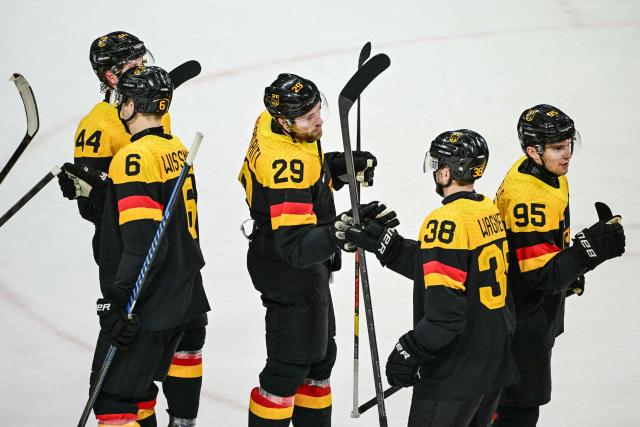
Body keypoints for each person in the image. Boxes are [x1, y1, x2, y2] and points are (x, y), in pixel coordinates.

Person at [59, 33, 206, 426]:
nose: (142, 68)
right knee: (134, 384)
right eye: (133, 65)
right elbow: (100, 215)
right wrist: (95, 193)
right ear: (110, 75)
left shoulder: (152, 120)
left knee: (179, 350)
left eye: (144, 61)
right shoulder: (96, 127)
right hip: (137, 261)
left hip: (159, 264)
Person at [237, 73, 387, 426]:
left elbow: (308, 172)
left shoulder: (274, 123)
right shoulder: (285, 166)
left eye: (318, 110)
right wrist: (341, 230)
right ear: (284, 121)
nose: (319, 120)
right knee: (290, 366)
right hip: (287, 266)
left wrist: (337, 167)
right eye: (308, 118)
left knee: (319, 359)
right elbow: (296, 249)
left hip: (293, 258)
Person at [343, 129, 520, 427]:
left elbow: (446, 316)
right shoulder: (486, 210)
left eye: (438, 165)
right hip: (492, 361)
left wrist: (411, 349)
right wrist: (391, 246)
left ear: (447, 172)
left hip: (456, 371)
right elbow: (453, 269)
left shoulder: (444, 222)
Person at [492, 104, 626, 426]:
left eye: (568, 144)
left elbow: (542, 261)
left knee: (518, 405)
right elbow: (539, 276)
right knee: (519, 410)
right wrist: (587, 252)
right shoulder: (530, 198)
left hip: (527, 311)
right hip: (519, 320)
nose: (566, 154)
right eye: (556, 147)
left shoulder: (545, 174)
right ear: (533, 150)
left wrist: (568, 272)